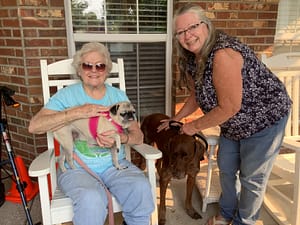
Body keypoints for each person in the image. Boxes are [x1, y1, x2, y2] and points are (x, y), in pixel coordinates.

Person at [157, 4, 292, 225]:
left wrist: (194, 126)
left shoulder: (222, 53)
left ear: (206, 25)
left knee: (252, 178)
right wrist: (177, 119)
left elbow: (229, 106)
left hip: (264, 120)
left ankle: (244, 221)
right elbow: (196, 96)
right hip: (232, 123)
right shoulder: (191, 57)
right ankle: (227, 214)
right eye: (180, 32)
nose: (187, 35)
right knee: (227, 170)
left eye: (192, 27)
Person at [28, 42, 154, 225]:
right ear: (79, 69)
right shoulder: (66, 96)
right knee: (91, 198)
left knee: (141, 188)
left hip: (115, 166)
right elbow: (35, 126)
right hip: (77, 170)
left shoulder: (118, 97)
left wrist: (121, 138)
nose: (94, 70)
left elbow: (138, 136)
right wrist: (76, 112)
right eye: (87, 65)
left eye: (100, 65)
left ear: (106, 69)